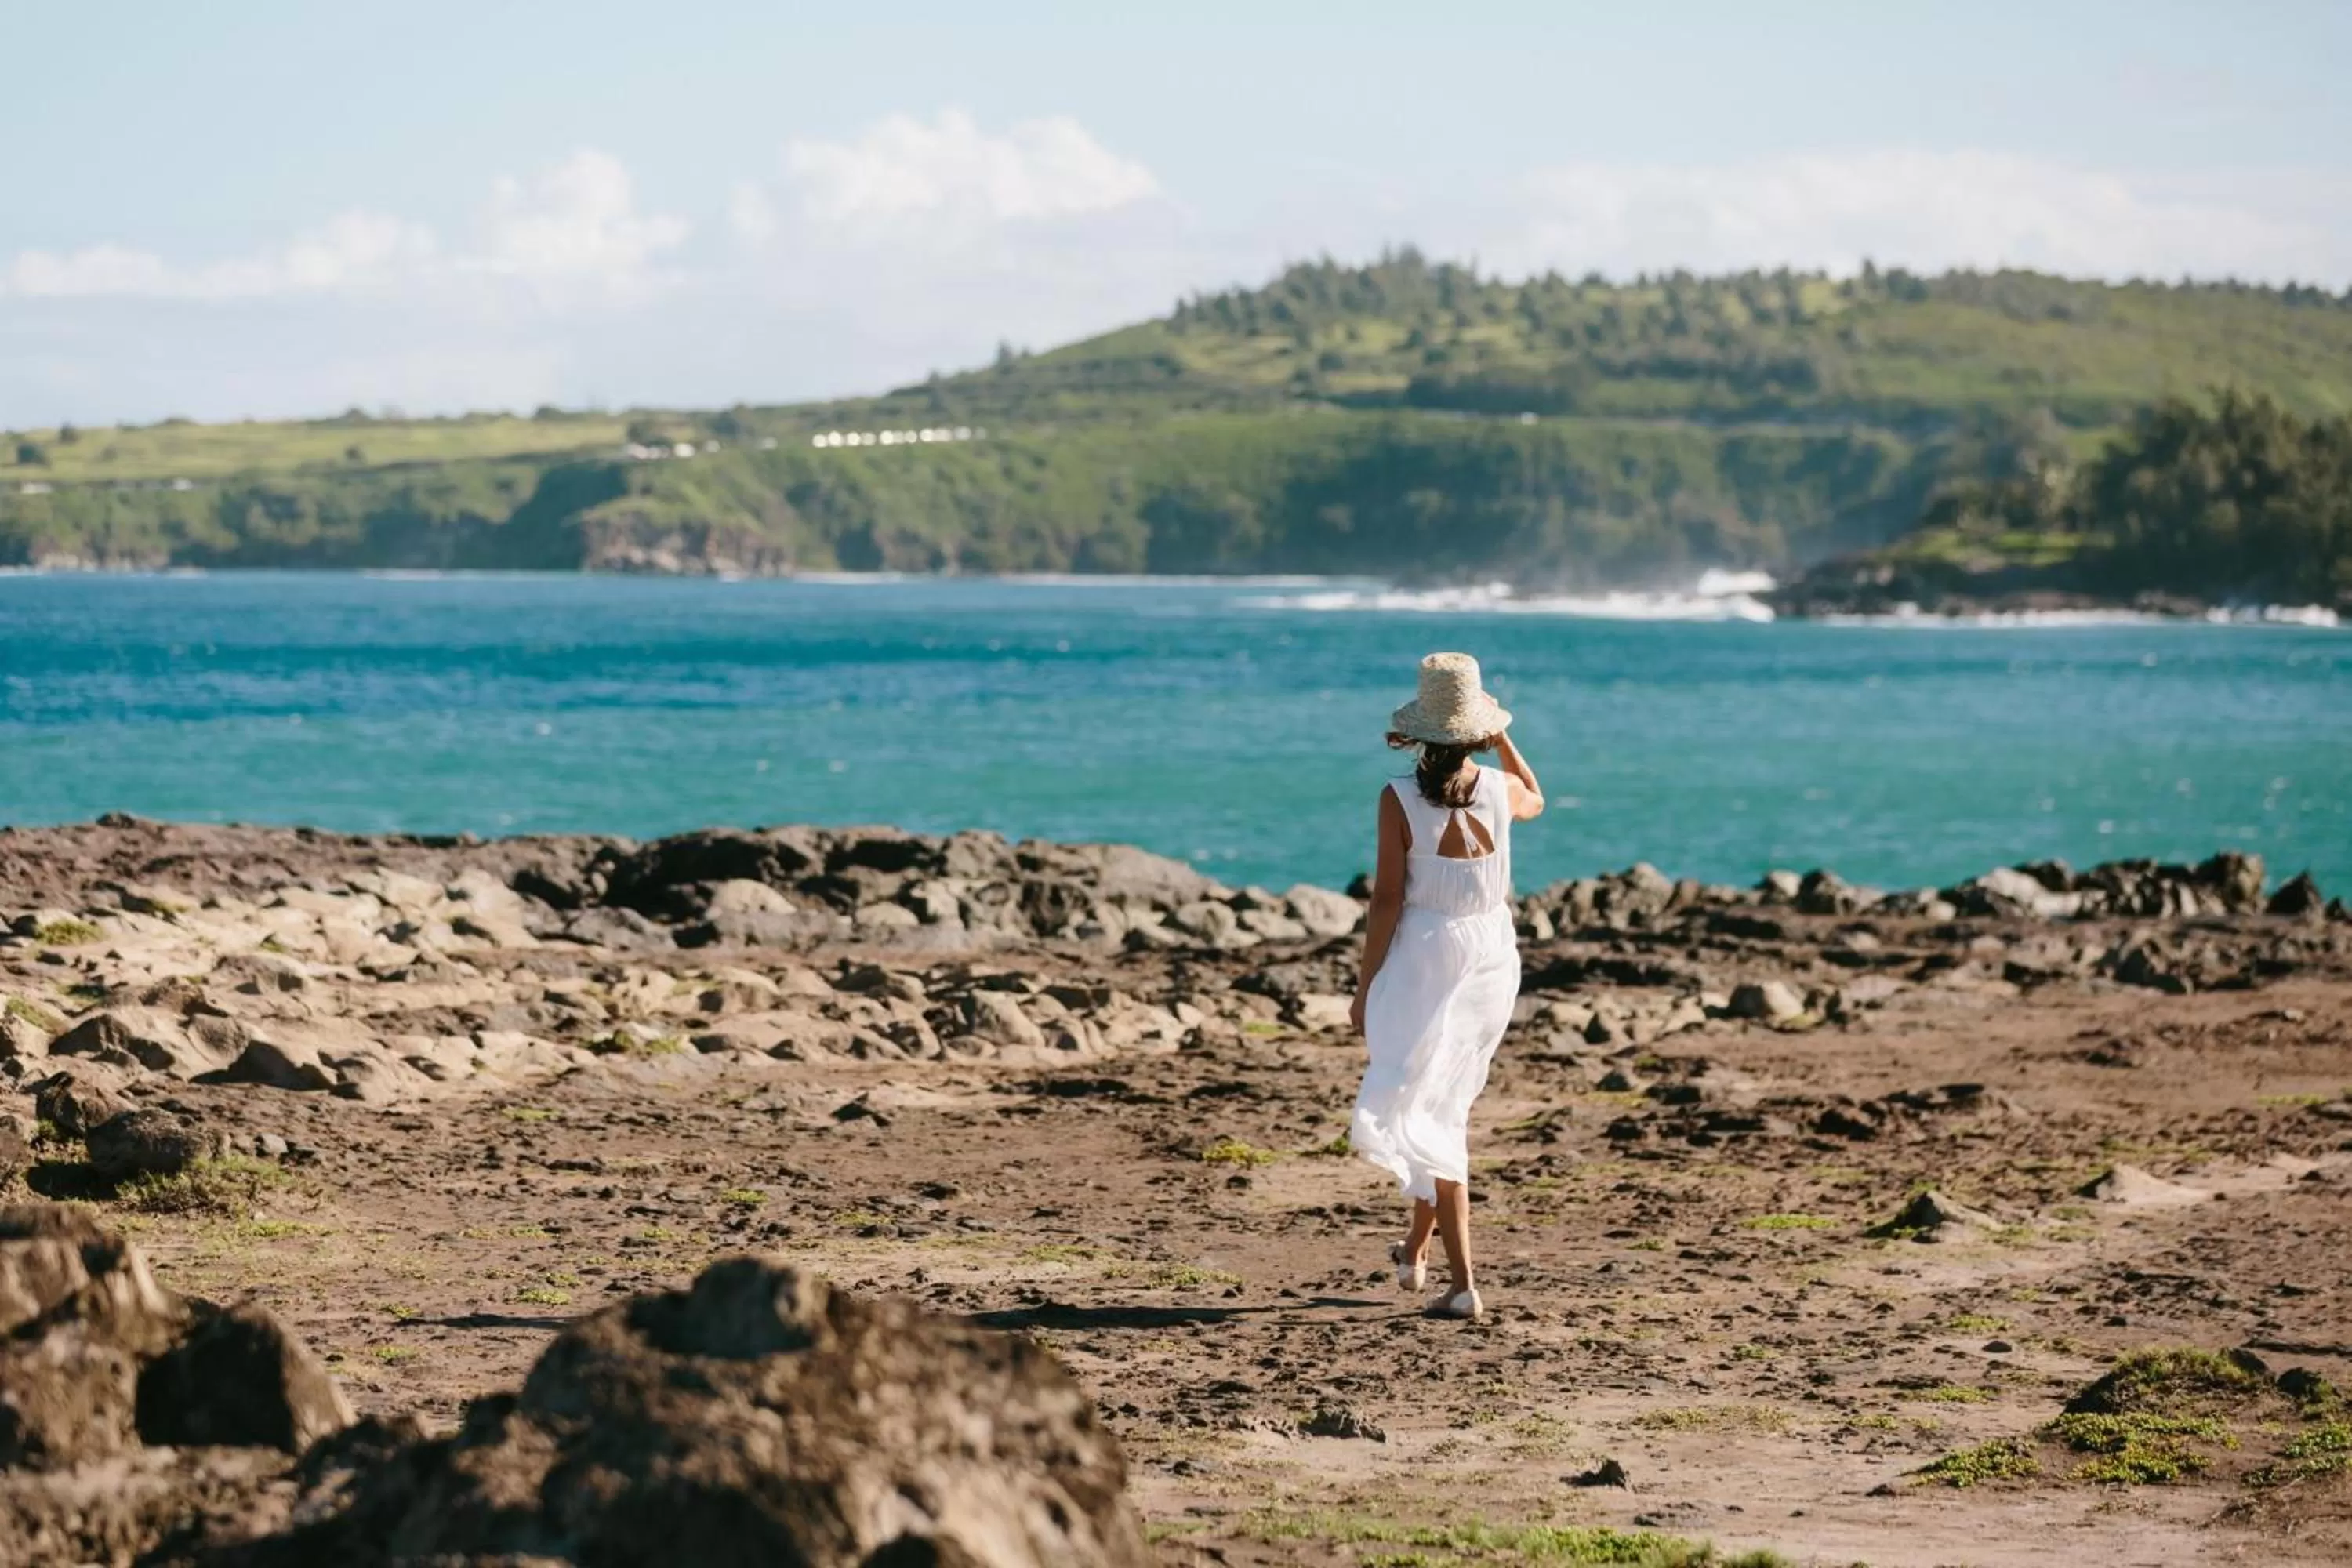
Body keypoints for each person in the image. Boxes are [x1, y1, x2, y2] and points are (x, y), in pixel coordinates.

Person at [1348, 652, 1544, 1319]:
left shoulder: (1398, 798)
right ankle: (1414, 1252)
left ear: (1423, 732)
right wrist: (1505, 740)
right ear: (1477, 731)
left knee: (1435, 1112)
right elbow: (1536, 797)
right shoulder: (1499, 788)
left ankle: (1463, 1285)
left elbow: (1387, 899)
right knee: (1439, 1102)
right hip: (1491, 955)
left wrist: (1365, 985)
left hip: (1426, 956)